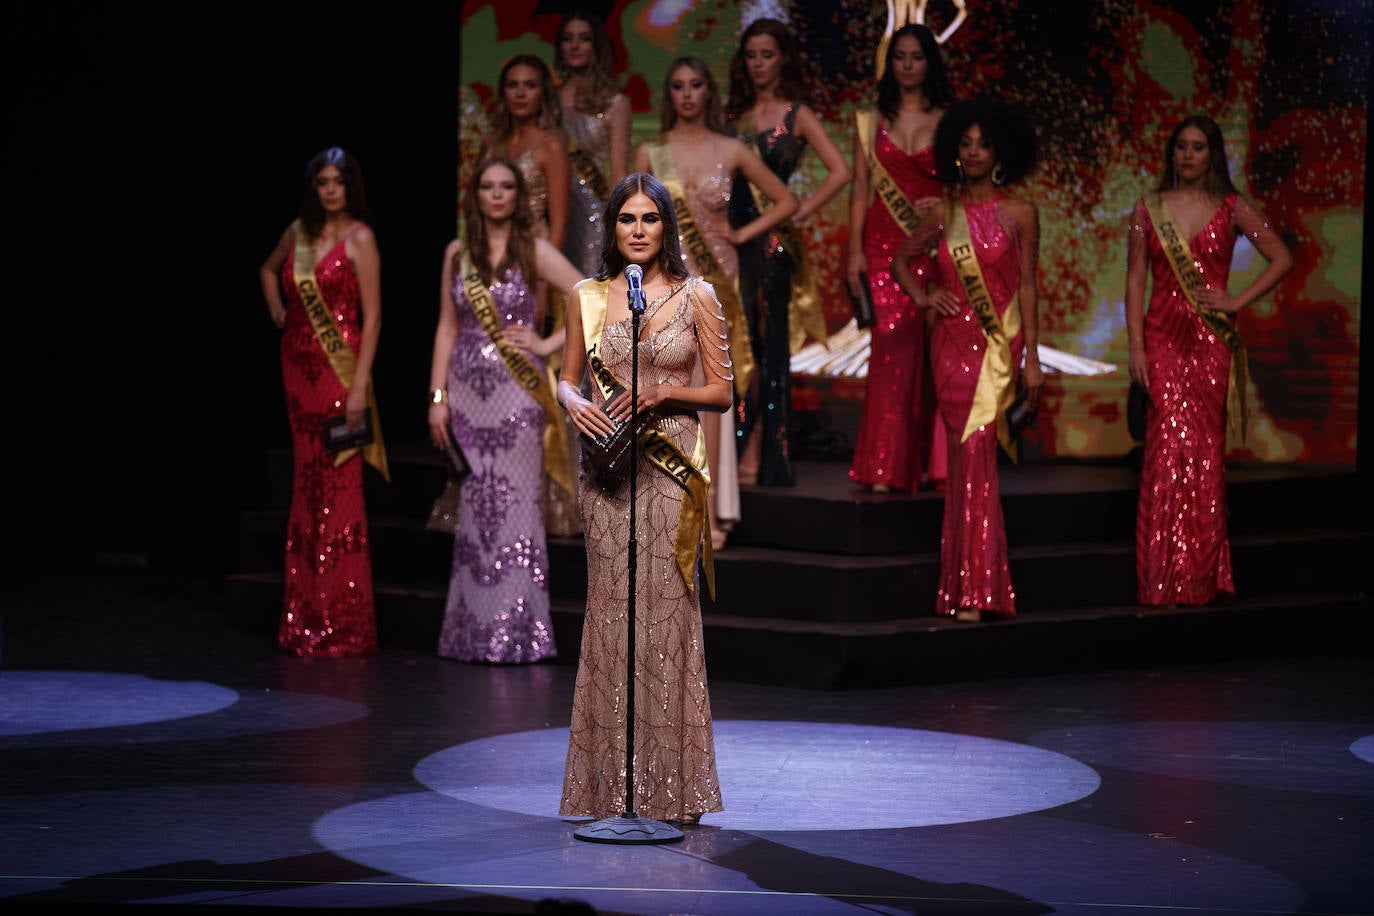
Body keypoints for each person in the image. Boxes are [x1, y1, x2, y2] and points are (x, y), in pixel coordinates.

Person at [556, 173, 731, 824]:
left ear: (666, 228)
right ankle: (612, 791)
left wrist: (663, 393)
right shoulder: (590, 297)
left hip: (669, 471)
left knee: (665, 622)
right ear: (613, 226)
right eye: (627, 219)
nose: (637, 230)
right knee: (611, 619)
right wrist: (573, 402)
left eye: (649, 219)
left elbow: (722, 392)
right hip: (608, 472)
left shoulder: (698, 296)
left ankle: (670, 791)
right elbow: (567, 381)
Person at [1125, 115, 1292, 607]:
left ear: (1213, 154)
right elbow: (1135, 278)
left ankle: (1199, 577)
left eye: (1198, 147)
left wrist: (1237, 301)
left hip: (1210, 342)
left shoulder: (1233, 207)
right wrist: (1135, 345)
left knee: (1203, 452)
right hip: (1161, 338)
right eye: (1181, 147)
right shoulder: (1146, 208)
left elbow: (1281, 256)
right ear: (1171, 153)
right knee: (1162, 451)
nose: (1188, 155)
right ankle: (1160, 578)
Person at [634, 56, 798, 549]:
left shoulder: (732, 149)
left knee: (709, 394)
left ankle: (708, 509)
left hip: (715, 283)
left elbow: (785, 201)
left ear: (709, 92)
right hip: (664, 284)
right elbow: (629, 216)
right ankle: (665, 503)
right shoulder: (651, 150)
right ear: (671, 94)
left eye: (696, 85)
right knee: (664, 392)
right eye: (679, 85)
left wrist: (742, 232)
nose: (687, 94)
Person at [890, 96, 1043, 622]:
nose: (974, 152)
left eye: (984, 143)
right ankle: (970, 589)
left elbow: (1029, 289)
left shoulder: (1022, 212)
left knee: (977, 457)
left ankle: (973, 589)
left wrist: (1033, 361)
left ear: (1001, 151)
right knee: (964, 461)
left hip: (1000, 346)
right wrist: (925, 296)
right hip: (950, 347)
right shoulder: (942, 214)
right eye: (966, 143)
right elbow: (901, 261)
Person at [426, 157, 585, 663]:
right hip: (467, 398)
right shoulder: (457, 254)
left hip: (518, 396)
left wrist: (546, 344)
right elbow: (446, 329)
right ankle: (470, 633)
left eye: (506, 187)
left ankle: (519, 635)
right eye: (488, 187)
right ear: (475, 196)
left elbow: (591, 297)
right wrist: (437, 399)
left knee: (516, 506)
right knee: (476, 508)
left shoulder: (533, 250)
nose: (497, 195)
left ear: (518, 196)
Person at [258, 146, 388, 656]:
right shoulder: (299, 233)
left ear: (350, 187)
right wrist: (276, 308)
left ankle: (342, 619)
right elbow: (267, 271)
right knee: (306, 485)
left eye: (338, 181)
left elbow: (373, 318)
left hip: (340, 373)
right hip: (297, 370)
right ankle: (303, 614)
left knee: (339, 486)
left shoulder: (362, 239)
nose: (330, 190)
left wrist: (358, 389)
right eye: (322, 182)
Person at [725, 16, 852, 487]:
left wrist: (800, 213)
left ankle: (766, 450)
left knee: (769, 350)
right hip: (733, 243)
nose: (759, 64)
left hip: (773, 245)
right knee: (737, 349)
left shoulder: (796, 115)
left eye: (768, 55)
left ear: (783, 60)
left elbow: (840, 170)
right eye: (752, 55)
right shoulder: (730, 115)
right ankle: (737, 445)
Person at [847, 22, 954, 494]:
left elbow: (965, 185)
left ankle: (928, 465)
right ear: (889, 64)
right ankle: (886, 466)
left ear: (929, 63)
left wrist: (945, 204)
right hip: (880, 245)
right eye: (900, 57)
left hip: (931, 245)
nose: (908, 65)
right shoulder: (870, 120)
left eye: (916, 57)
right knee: (891, 351)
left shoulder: (950, 119)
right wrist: (853, 250)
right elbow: (859, 190)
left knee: (932, 353)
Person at [479, 53, 582, 538]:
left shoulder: (550, 145)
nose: (521, 93)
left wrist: (539, 289)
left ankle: (547, 495)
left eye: (530, 85)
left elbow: (558, 222)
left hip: (535, 271)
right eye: (513, 85)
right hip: (493, 272)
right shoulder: (493, 144)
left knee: (534, 386)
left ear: (543, 92)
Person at [554, 8, 632, 276]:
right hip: (552, 215)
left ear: (596, 45)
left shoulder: (614, 103)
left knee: (588, 297)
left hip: (594, 218)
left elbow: (619, 174)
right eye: (568, 38)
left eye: (584, 38)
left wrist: (618, 228)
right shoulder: (547, 101)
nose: (574, 45)